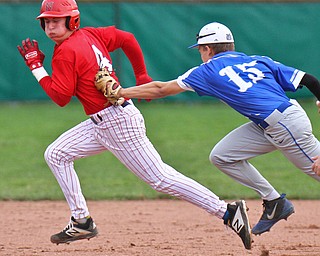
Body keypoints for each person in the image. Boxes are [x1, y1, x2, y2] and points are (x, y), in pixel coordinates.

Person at [17, 1, 252, 249]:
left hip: (117, 123)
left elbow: (60, 97)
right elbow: (126, 39)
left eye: (57, 20)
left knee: (160, 178)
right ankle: (81, 220)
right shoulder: (91, 35)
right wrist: (141, 74)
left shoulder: (66, 51)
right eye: (47, 21)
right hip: (102, 121)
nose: (51, 26)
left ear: (72, 20)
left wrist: (36, 67)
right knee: (56, 153)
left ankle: (227, 212)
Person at [108, 22, 320, 236]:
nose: (201, 54)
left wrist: (121, 92)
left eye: (200, 50)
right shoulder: (257, 60)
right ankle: (274, 201)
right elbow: (310, 80)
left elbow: (161, 89)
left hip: (285, 125)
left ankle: (276, 201)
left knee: (317, 169)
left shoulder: (207, 70)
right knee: (222, 156)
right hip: (273, 122)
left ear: (208, 49)